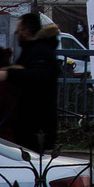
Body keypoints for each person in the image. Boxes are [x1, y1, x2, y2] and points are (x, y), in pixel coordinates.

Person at [12, 10, 61, 152]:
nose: (17, 35)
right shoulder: (33, 50)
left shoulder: (40, 52)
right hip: (31, 121)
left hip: (36, 123)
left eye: (18, 32)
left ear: (25, 32)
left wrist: (9, 74)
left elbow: (36, 77)